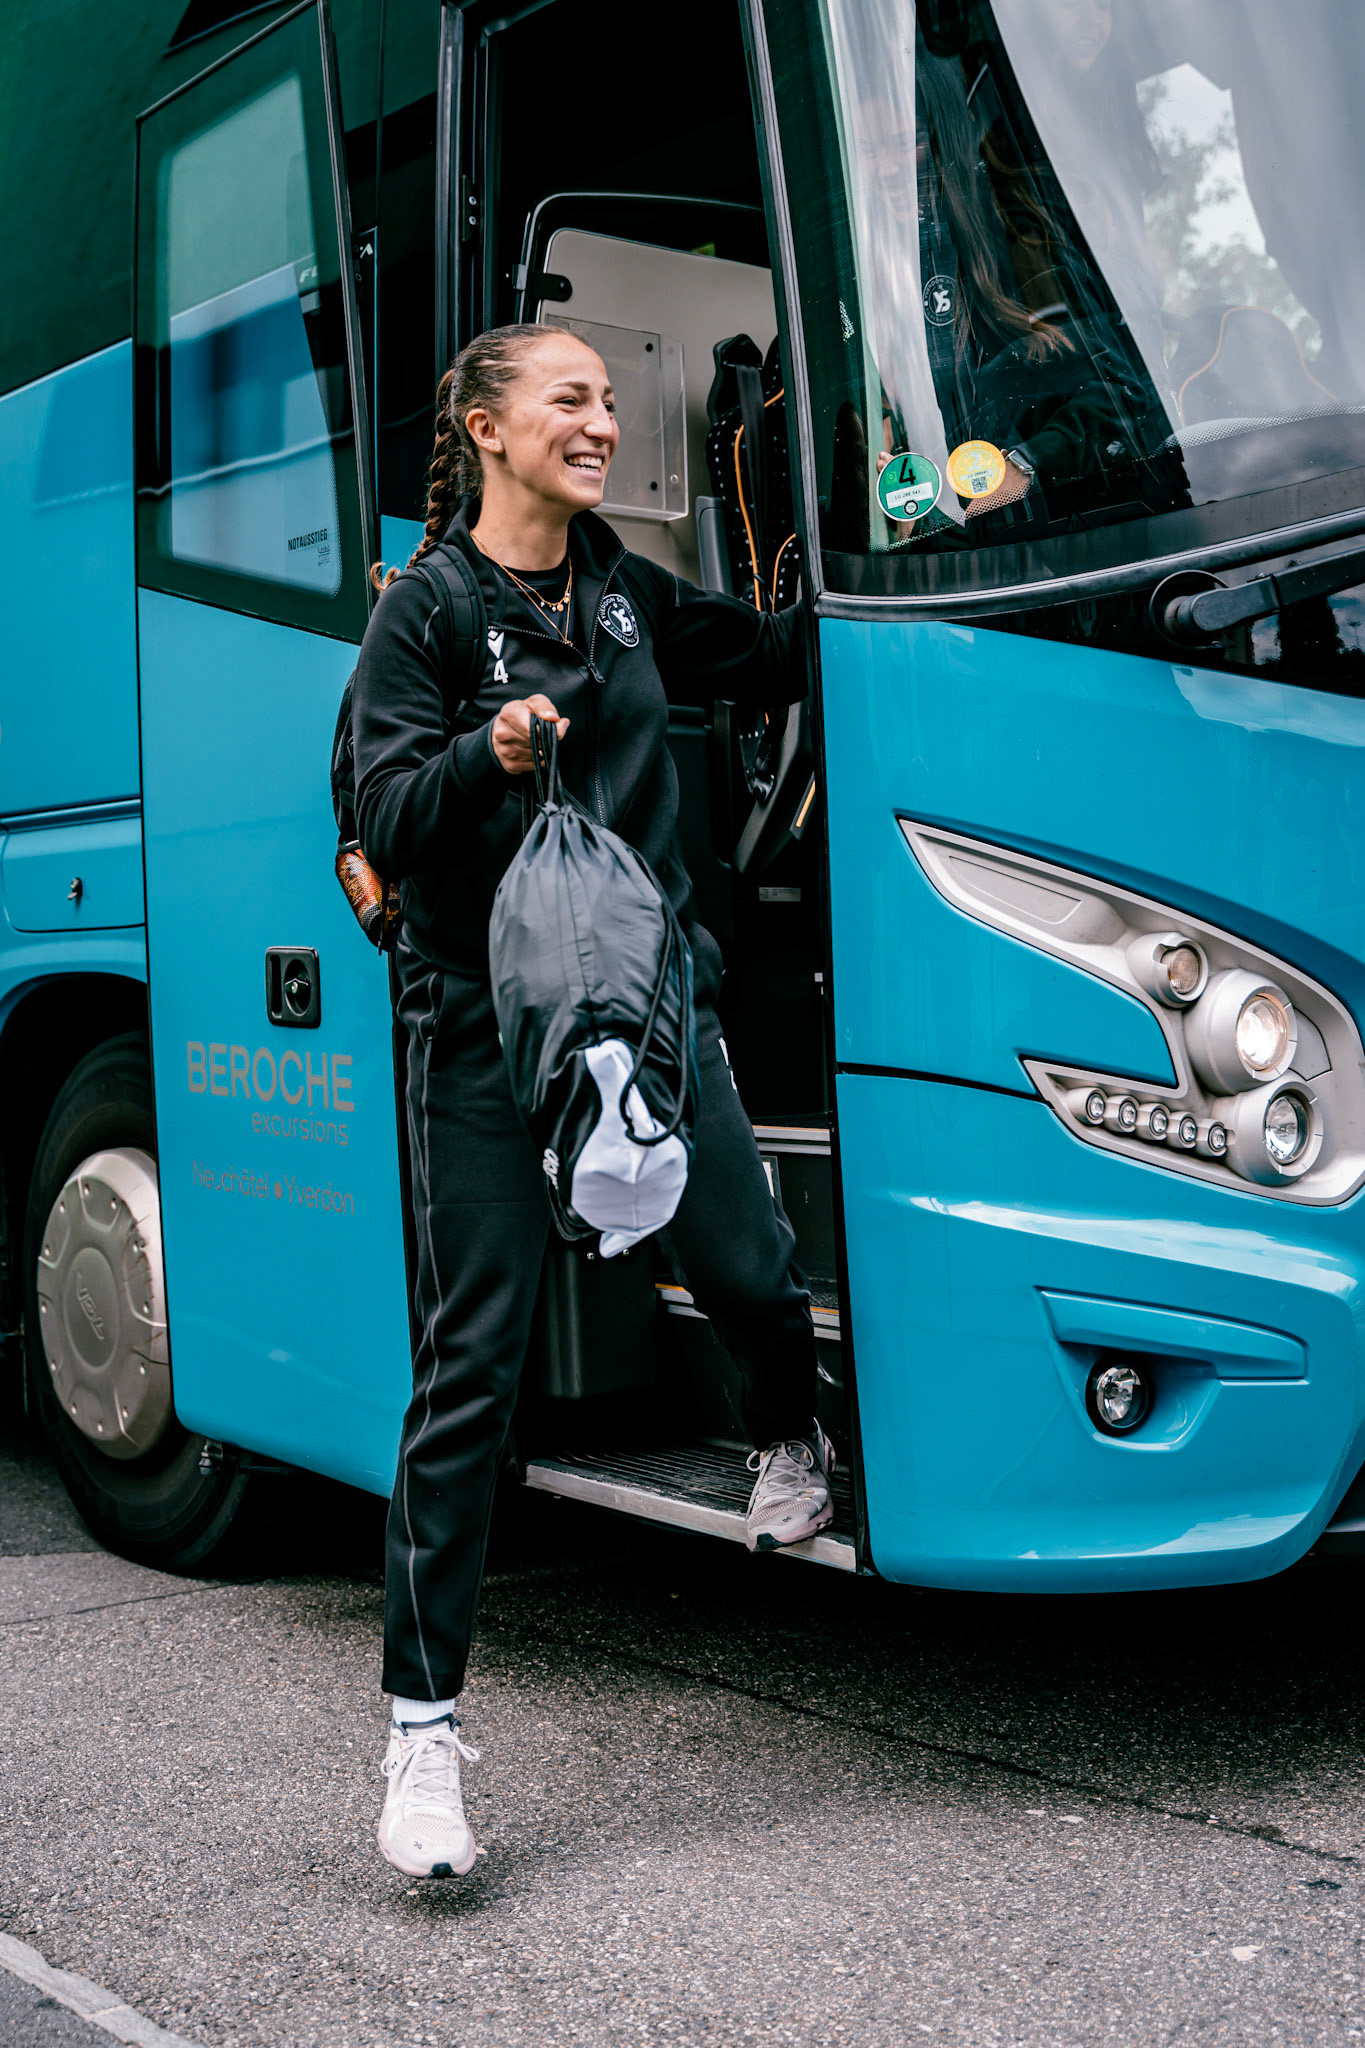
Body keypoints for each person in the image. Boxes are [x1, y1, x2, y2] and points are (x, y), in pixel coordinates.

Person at [350, 322, 831, 1882]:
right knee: (469, 1368)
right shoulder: (424, 614)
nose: (602, 421)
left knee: (752, 1270)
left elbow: (762, 659)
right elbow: (379, 821)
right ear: (485, 428)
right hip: (485, 1034)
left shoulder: (621, 593)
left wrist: (881, 533)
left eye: (611, 401)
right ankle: (423, 1740)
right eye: (569, 399)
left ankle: (785, 1440)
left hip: (646, 1011)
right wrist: (487, 757)